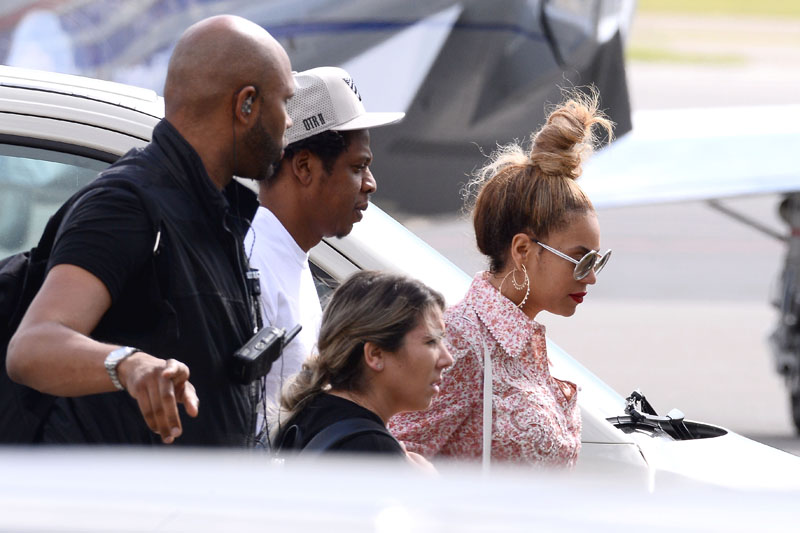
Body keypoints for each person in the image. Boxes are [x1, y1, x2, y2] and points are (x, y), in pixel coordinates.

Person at [6, 15, 295, 446]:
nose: (288, 121)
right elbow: (32, 347)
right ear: (246, 104)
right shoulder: (127, 203)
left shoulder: (214, 210)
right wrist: (130, 365)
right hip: (111, 490)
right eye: (285, 101)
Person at [388, 92, 613, 466]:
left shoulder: (521, 341)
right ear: (523, 249)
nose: (590, 277)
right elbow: (384, 461)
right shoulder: (459, 340)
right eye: (580, 259)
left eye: (596, 261)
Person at [243, 66, 404, 406]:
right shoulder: (253, 265)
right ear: (304, 167)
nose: (370, 184)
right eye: (357, 167)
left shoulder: (288, 255)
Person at [273, 270, 453, 464]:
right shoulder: (372, 449)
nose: (448, 359)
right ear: (375, 354)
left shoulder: (310, 412)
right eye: (431, 341)